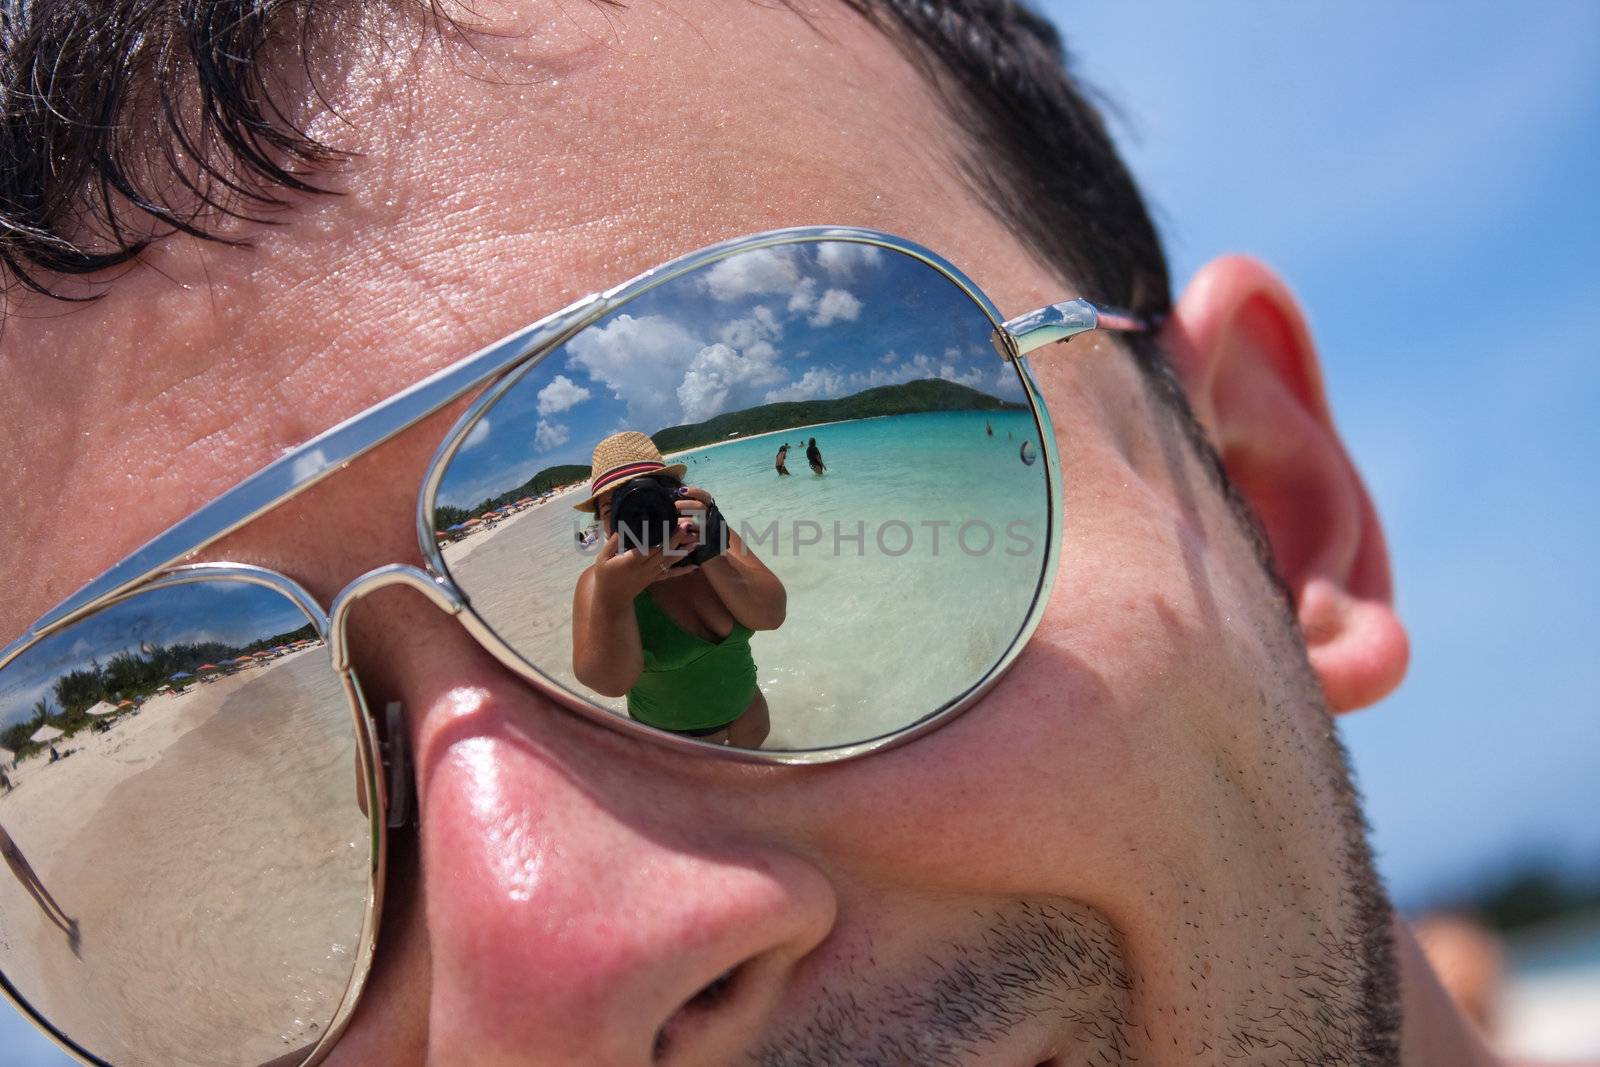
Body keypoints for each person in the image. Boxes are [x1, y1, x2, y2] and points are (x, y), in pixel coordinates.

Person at [0, 2, 1500, 1064]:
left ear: (1277, 505)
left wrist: (712, 549)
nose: (551, 970)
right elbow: (605, 646)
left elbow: (766, 603)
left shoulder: (702, 557)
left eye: (784, 413)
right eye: (232, 783)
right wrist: (606, 580)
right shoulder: (608, 580)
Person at [570, 432, 784, 747]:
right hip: (679, 751)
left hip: (751, 725)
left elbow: (772, 615)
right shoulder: (600, 582)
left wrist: (711, 550)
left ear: (676, 497)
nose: (639, 514)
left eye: (651, 496)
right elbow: (610, 683)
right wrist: (613, 600)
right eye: (614, 508)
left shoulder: (712, 537)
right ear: (602, 525)